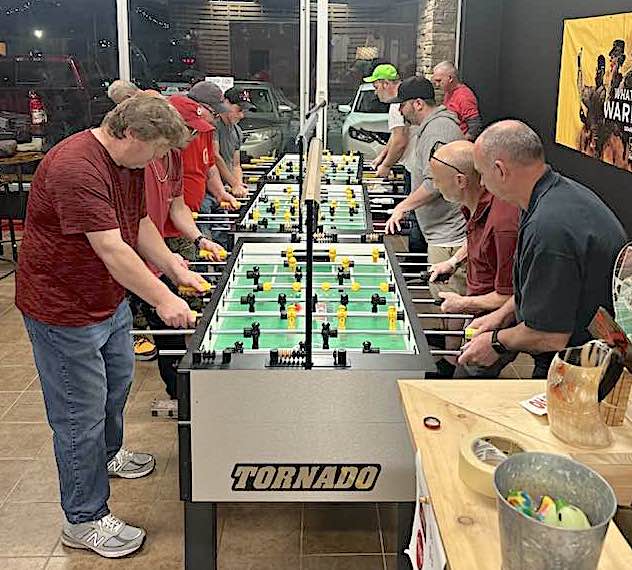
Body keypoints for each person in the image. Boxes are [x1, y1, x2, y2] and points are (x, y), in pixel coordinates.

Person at [17, 95, 208, 557]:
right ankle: (83, 520)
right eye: (159, 150)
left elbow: (138, 224)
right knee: (78, 417)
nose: (161, 160)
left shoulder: (128, 164)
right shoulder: (76, 167)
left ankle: (109, 455)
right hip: (63, 309)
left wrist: (175, 268)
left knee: (116, 386)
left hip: (107, 300)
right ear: (131, 135)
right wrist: (163, 299)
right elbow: (113, 249)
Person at [460, 120, 628, 378]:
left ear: (500, 170)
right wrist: (502, 315)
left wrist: (495, 341)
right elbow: (543, 287)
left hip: (584, 367)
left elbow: (550, 336)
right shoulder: (554, 194)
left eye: (481, 173)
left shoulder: (549, 227)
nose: (481, 182)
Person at [429, 140, 520, 377]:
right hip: (481, 311)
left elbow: (512, 296)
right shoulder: (477, 202)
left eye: (437, 180)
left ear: (460, 181)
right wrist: (453, 262)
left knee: (466, 385)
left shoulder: (503, 223)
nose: (435, 187)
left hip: (498, 323)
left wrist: (463, 304)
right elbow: (476, 240)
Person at [384, 77, 467, 298]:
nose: (401, 111)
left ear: (418, 103)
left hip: (449, 236)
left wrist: (403, 207)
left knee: (448, 303)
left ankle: (450, 334)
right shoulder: (431, 127)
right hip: (442, 232)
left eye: (403, 104)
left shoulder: (438, 131)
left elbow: (436, 183)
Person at [162, 93, 238, 259]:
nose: (195, 135)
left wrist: (220, 193)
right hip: (167, 230)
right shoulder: (157, 158)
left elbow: (209, 166)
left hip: (186, 223)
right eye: (191, 130)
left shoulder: (203, 133)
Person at [363, 64, 410, 179]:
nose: (375, 92)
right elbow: (395, 135)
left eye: (376, 87)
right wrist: (382, 156)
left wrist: (386, 165)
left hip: (414, 167)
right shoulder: (400, 97)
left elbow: (400, 141)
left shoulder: (398, 103)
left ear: (386, 84)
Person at [432, 61, 482, 141]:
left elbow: (475, 126)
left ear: (450, 78)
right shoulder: (448, 92)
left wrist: (460, 144)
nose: (437, 85)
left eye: (439, 81)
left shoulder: (464, 96)